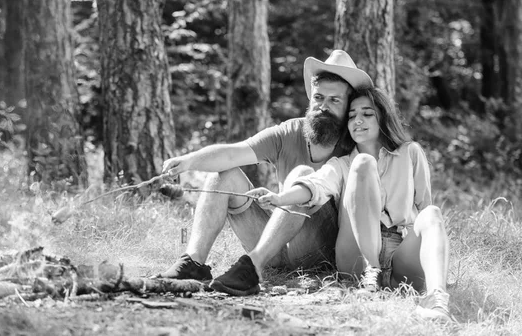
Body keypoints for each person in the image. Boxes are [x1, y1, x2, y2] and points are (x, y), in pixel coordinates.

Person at [155, 50, 373, 296]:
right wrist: (187, 161)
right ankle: (193, 264)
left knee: (302, 177)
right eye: (319, 98)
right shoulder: (290, 132)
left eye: (334, 101)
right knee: (222, 173)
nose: (323, 106)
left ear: (348, 107)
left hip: (320, 250)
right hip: (274, 246)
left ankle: (253, 266)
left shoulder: (357, 143)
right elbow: (233, 153)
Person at [247, 87, 452, 321]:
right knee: (363, 162)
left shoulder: (410, 153)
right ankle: (371, 272)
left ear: (382, 117)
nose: (358, 120)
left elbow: (424, 209)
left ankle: (437, 301)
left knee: (433, 213)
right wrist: (280, 198)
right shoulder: (343, 164)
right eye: (352, 115)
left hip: (399, 254)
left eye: (367, 114)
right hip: (355, 257)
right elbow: (316, 185)